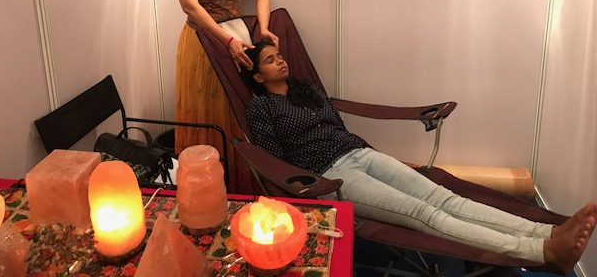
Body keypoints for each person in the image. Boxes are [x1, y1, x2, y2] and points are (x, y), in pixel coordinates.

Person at [240, 42, 596, 274]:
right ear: (257, 75)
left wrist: (363, 152)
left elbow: (339, 126)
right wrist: (309, 187)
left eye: (279, 55)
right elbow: (274, 158)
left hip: (360, 153)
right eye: (270, 60)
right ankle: (542, 252)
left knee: (445, 197)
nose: (280, 60)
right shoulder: (261, 107)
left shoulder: (310, 91)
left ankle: (547, 231)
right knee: (424, 213)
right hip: (331, 176)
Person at [172, 0, 278, 194]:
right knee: (208, 110)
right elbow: (190, 5)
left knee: (237, 111)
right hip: (204, 40)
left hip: (237, 37)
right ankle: (205, 189)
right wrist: (226, 39)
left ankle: (242, 186)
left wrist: (264, 28)